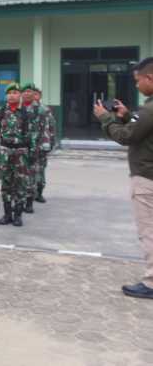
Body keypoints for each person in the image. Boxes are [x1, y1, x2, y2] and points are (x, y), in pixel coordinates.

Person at [95, 57, 153, 299]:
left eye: (138, 80)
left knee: (149, 230)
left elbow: (127, 136)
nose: (137, 85)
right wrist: (128, 115)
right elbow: (142, 130)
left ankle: (151, 283)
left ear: (150, 78)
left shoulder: (150, 108)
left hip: (147, 178)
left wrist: (106, 118)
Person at [0, 83, 35, 227]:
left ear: (19, 95)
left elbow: (32, 135)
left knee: (20, 184)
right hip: (5, 152)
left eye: (15, 92)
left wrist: (32, 152)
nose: (12, 95)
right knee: (6, 184)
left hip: (21, 153)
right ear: (6, 96)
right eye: (9, 93)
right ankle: (7, 214)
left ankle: (18, 215)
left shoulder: (26, 113)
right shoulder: (0, 111)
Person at [21, 83, 52, 214]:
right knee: (19, 175)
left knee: (33, 175)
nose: (28, 94)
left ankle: (30, 201)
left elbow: (47, 128)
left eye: (30, 92)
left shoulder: (42, 110)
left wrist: (47, 144)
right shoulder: (17, 108)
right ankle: (20, 200)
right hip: (20, 147)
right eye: (25, 91)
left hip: (36, 147)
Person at [34, 87, 56, 203]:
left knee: (41, 169)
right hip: (29, 145)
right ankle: (28, 194)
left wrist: (52, 141)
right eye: (32, 94)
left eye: (36, 94)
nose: (34, 96)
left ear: (40, 96)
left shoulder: (45, 110)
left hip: (42, 145)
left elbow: (52, 126)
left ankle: (39, 192)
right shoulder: (23, 109)